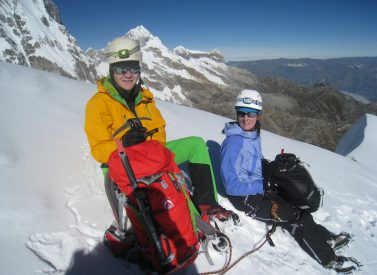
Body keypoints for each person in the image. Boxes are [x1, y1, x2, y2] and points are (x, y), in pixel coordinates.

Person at [84, 37, 236, 242]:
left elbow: (160, 131)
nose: (128, 75)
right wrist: (125, 144)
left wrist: (149, 145)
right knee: (168, 176)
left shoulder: (145, 97)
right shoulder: (98, 104)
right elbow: (98, 150)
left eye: (133, 68)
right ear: (111, 70)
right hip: (123, 163)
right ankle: (191, 223)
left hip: (152, 152)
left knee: (196, 144)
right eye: (121, 69)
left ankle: (207, 204)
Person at [220, 89, 359, 273]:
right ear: (237, 113)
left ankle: (327, 239)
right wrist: (262, 184)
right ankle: (329, 260)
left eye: (251, 113)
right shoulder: (233, 143)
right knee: (294, 217)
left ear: (258, 115)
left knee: (298, 205)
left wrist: (273, 168)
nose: (246, 118)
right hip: (247, 199)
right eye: (242, 113)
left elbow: (255, 160)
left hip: (260, 189)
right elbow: (231, 186)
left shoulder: (251, 134)